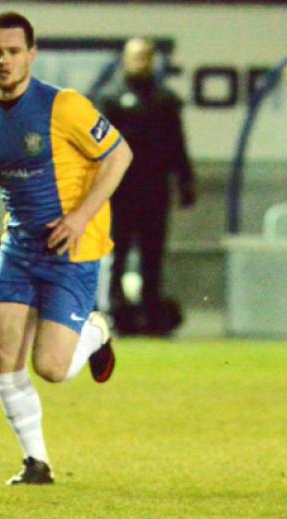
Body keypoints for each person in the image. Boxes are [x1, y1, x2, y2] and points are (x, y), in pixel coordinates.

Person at [0, 12, 132, 485]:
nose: (3, 60)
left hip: (74, 246)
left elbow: (120, 154)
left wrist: (80, 216)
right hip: (20, 247)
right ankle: (36, 462)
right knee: (4, 353)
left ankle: (96, 333)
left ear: (31, 54)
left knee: (50, 367)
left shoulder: (64, 107)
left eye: (12, 51)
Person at [99, 38, 195, 336]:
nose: (141, 63)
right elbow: (98, 148)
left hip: (155, 190)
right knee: (117, 251)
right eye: (135, 57)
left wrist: (185, 181)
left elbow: (177, 145)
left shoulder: (165, 100)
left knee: (153, 253)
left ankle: (152, 311)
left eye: (146, 57)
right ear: (125, 60)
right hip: (121, 192)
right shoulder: (111, 98)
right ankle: (116, 310)